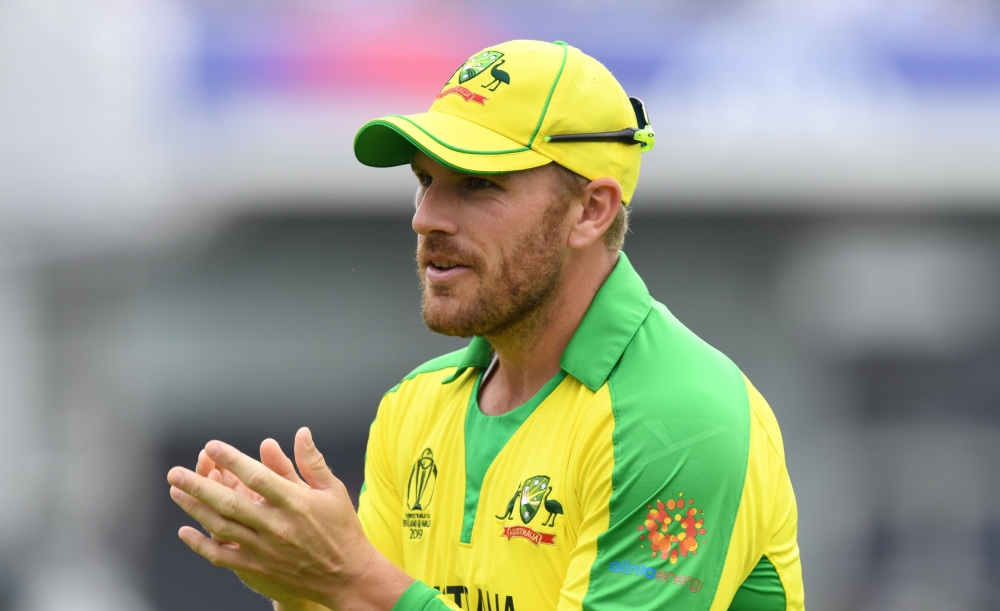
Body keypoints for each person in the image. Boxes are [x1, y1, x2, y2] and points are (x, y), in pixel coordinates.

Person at [167, 40, 805, 611]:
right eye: (425, 181)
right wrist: (303, 585)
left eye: (477, 184)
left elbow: (374, 593)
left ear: (591, 209)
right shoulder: (414, 407)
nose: (427, 218)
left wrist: (352, 579)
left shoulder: (682, 419)